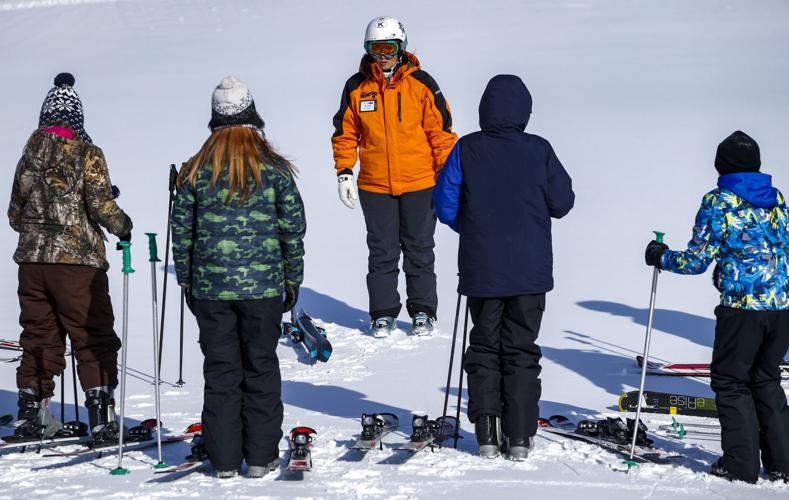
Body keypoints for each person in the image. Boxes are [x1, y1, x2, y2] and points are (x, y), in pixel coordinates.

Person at [171, 76, 306, 479]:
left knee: (221, 372)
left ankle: (225, 459)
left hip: (211, 290)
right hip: (264, 288)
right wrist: (293, 279)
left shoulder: (195, 170)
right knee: (261, 368)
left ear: (214, 118)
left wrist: (187, 282)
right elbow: (292, 229)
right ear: (251, 114)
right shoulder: (274, 168)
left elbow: (183, 234)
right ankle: (261, 457)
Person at [434, 75, 574, 460]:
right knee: (521, 349)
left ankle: (486, 434)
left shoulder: (467, 148)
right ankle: (520, 436)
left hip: (482, 270)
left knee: (483, 346)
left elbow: (445, 205)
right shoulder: (540, 149)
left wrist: (474, 226)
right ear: (525, 111)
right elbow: (563, 202)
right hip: (530, 272)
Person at [644, 131, 789, 484]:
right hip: (782, 307)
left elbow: (696, 260)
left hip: (742, 309)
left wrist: (661, 256)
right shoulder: (777, 199)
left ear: (722, 166)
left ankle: (741, 465)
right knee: (766, 379)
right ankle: (782, 462)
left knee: (731, 381)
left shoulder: (719, 201)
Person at [5, 73, 133, 444]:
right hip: (77, 264)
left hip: (31, 265)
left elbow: (15, 214)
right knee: (92, 336)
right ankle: (102, 416)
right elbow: (102, 206)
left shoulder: (29, 156)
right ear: (77, 119)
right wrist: (123, 227)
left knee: (39, 337)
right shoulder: (87, 153)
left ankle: (33, 414)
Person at [332, 15, 457, 337]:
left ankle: (423, 311)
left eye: (388, 47)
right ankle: (383, 313)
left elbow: (441, 134)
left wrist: (447, 177)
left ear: (401, 47)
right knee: (382, 251)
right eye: (375, 49)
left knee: (419, 249)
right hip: (375, 185)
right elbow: (345, 134)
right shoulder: (357, 87)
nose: (382, 55)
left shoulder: (422, 83)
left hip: (420, 182)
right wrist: (345, 172)